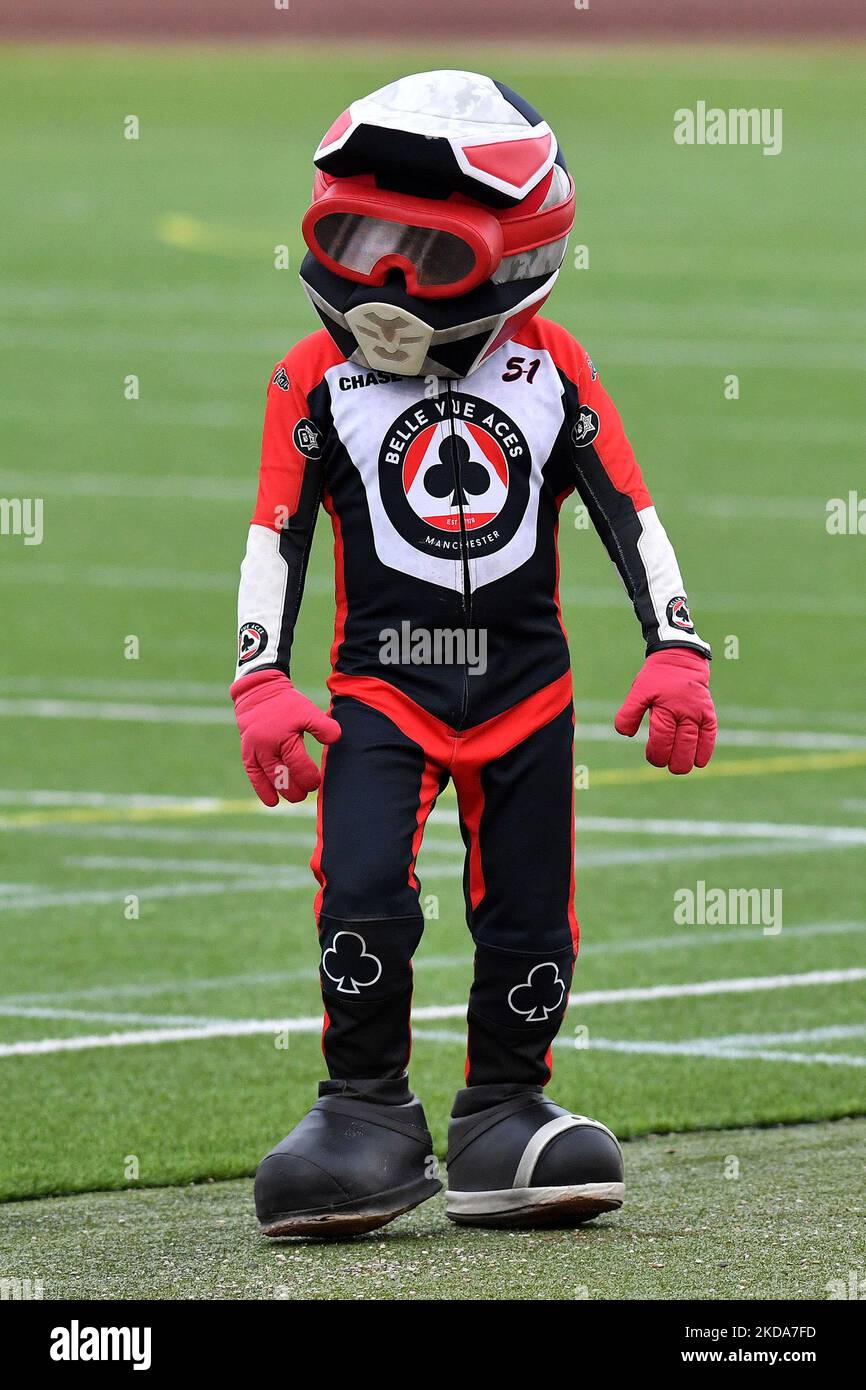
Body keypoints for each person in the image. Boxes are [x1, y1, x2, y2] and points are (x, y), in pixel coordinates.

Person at [230, 70, 717, 1238]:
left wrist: (676, 649)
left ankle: (504, 1110)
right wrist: (260, 677)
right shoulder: (311, 377)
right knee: (357, 894)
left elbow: (625, 513)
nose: (383, 276)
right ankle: (364, 1113)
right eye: (359, 236)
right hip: (375, 696)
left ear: (509, 251)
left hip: (525, 697)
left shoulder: (549, 369)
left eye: (421, 250)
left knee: (530, 919)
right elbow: (275, 535)